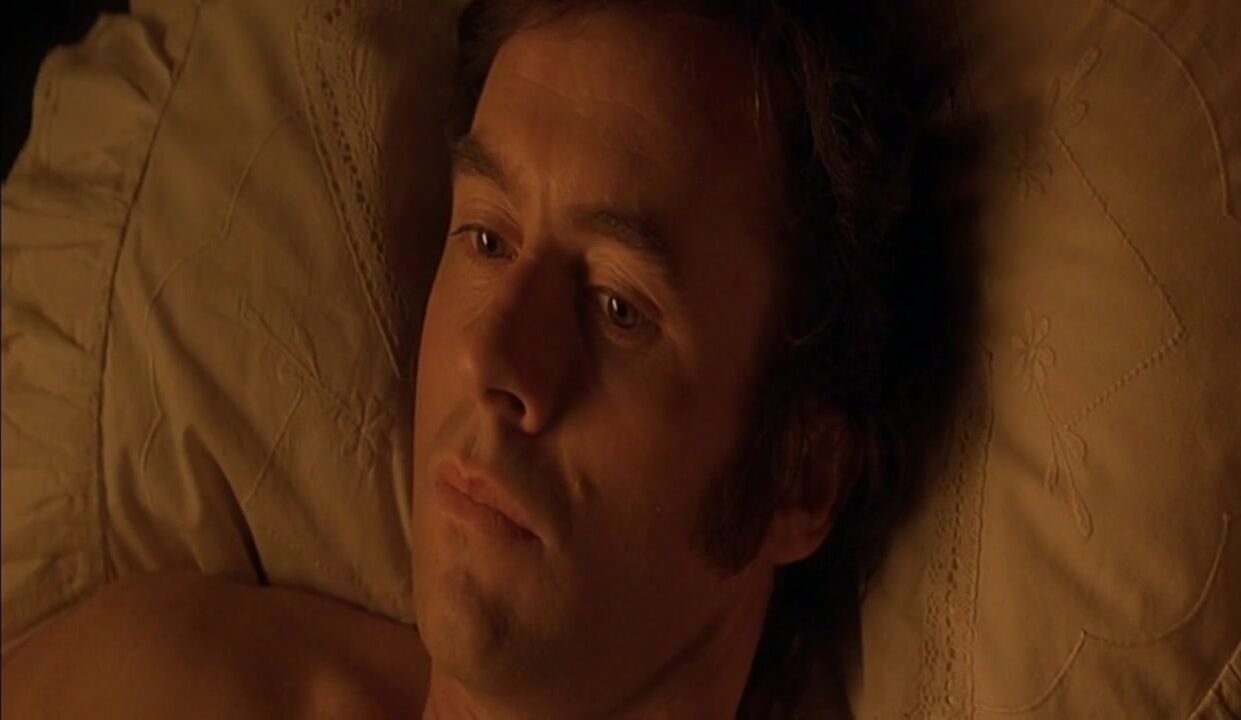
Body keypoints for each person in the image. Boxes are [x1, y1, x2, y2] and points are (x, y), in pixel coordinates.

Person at [1, 1, 966, 717]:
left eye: (619, 307)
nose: (494, 357)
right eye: (489, 240)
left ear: (800, 476)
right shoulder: (156, 683)